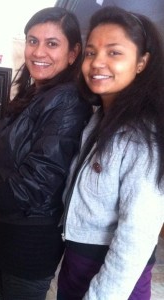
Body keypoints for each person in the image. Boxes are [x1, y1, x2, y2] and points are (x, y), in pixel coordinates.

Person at [0, 7, 92, 300]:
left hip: (31, 241)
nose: (38, 51)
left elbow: (39, 181)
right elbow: (15, 162)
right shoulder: (32, 93)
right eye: (32, 40)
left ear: (73, 53)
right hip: (5, 228)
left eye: (52, 43)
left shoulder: (68, 102)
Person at [57, 6, 164, 300]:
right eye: (91, 52)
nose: (97, 63)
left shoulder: (143, 135)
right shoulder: (98, 118)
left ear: (141, 62)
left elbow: (136, 237)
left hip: (114, 278)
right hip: (76, 265)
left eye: (114, 52)